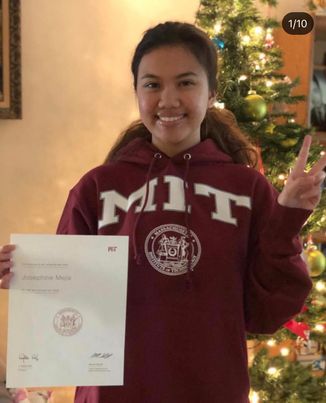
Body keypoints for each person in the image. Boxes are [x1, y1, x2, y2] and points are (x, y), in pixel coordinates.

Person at [1, 21, 326, 403]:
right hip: (113, 395)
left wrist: (286, 217)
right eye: (152, 84)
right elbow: (72, 306)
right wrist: (30, 279)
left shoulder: (248, 189)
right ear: (137, 92)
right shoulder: (97, 188)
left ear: (211, 93)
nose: (168, 99)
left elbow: (267, 313)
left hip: (213, 390)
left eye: (186, 83)